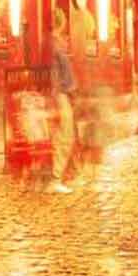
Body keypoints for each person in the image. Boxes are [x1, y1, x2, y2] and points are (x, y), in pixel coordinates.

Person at [48, 10, 79, 190]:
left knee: (61, 135)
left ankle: (63, 174)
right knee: (65, 136)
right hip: (60, 94)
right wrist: (71, 91)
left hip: (56, 93)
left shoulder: (49, 44)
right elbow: (65, 74)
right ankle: (56, 178)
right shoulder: (57, 45)